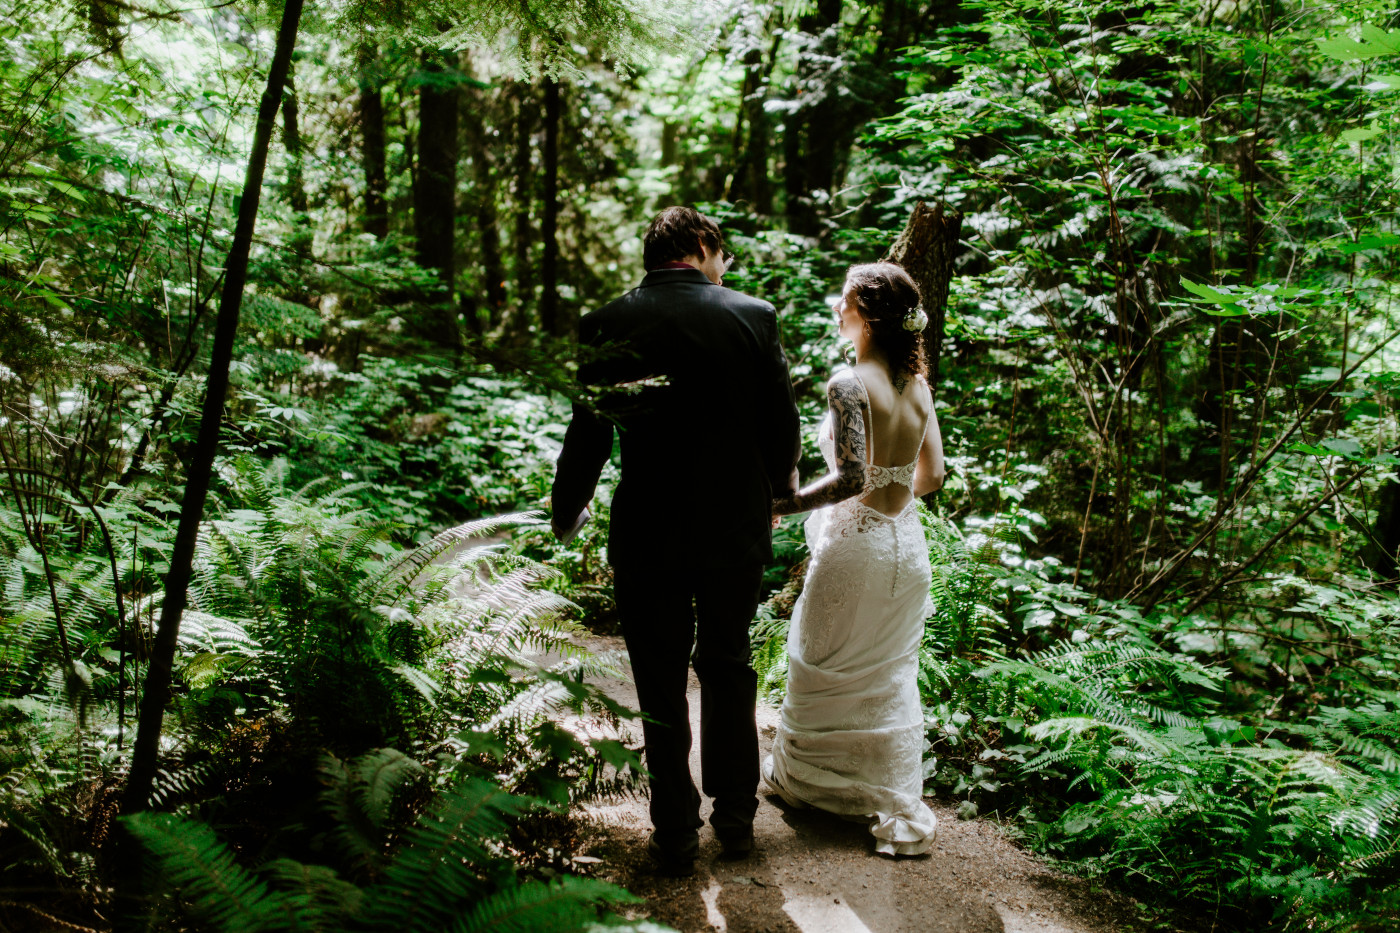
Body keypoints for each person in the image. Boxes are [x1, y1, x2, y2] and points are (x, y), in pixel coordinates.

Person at [552, 206, 801, 875]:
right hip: (732, 522)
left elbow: (590, 429)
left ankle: (674, 829)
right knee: (728, 661)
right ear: (699, 247)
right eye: (721, 254)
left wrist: (567, 506)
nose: (726, 268)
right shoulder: (753, 316)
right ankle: (737, 816)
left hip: (649, 526)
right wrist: (778, 490)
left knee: (658, 675)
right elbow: (780, 422)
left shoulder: (606, 321)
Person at [763, 261, 947, 857]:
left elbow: (850, 479)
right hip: (906, 548)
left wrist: (785, 502)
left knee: (820, 659)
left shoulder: (848, 384)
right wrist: (890, 501)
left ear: (865, 313)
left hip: (857, 549)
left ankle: (814, 787)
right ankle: (881, 792)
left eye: (843, 301)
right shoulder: (917, 385)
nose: (835, 309)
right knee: (887, 673)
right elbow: (932, 475)